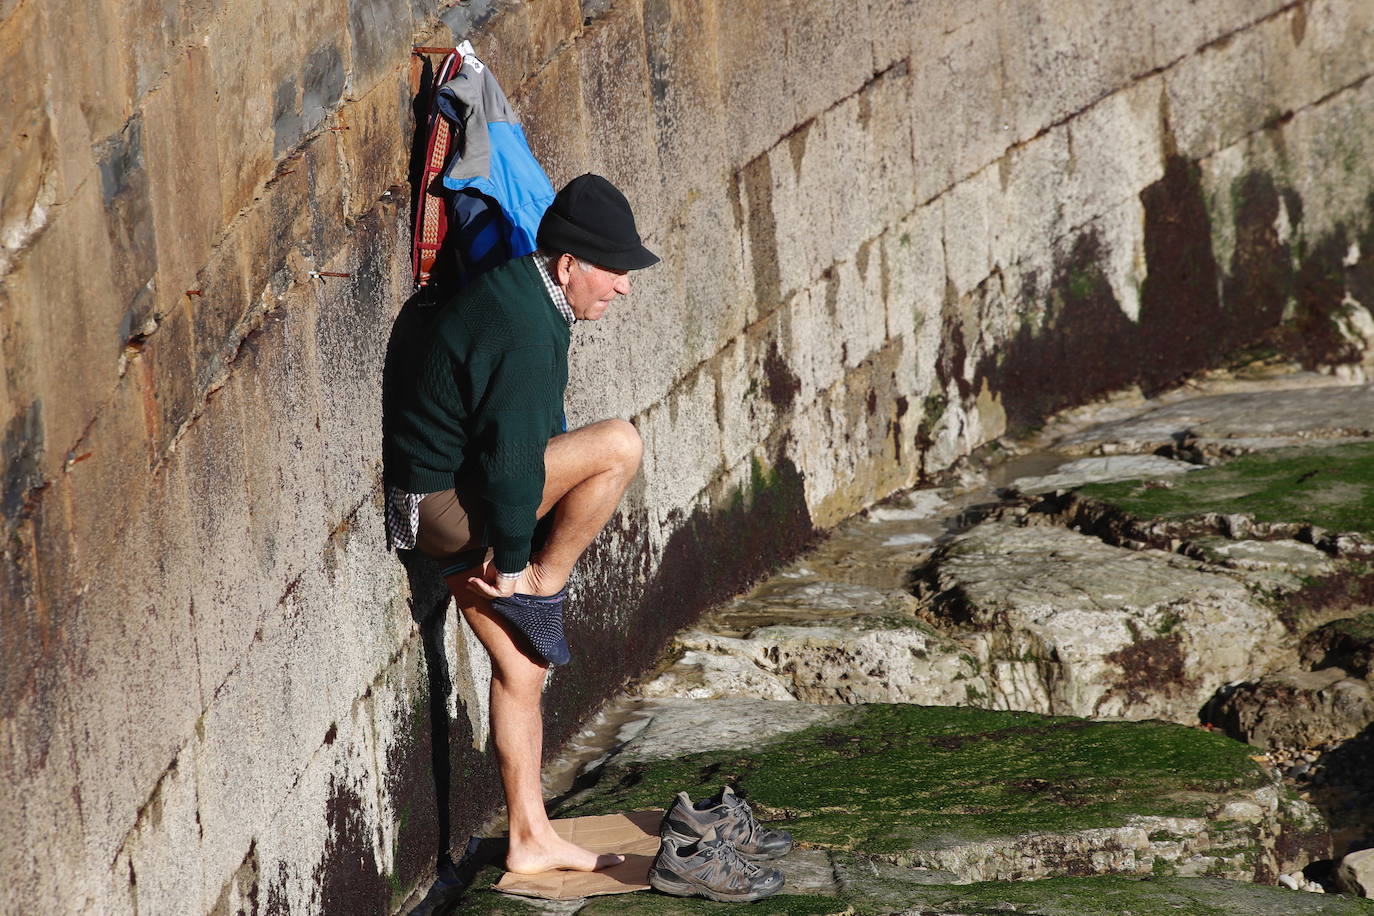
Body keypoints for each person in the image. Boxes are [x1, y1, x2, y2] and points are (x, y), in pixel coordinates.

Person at [384, 174, 658, 874]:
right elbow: (514, 471)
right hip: (446, 510)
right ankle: (545, 579)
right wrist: (512, 564)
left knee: (523, 667)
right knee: (619, 444)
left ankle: (530, 838)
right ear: (569, 265)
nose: (625, 289)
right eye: (615, 273)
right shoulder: (529, 333)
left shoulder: (525, 293)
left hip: (430, 503)